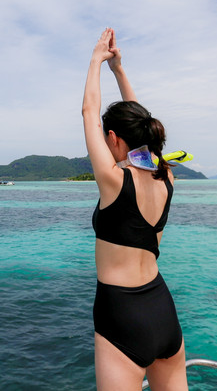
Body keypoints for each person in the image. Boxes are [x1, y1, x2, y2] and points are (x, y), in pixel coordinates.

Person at [82, 28, 188, 391]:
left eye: (107, 137)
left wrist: (96, 60)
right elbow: (142, 129)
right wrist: (118, 69)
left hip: (121, 315)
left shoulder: (113, 180)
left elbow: (89, 111)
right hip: (162, 307)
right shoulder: (167, 177)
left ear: (113, 138)